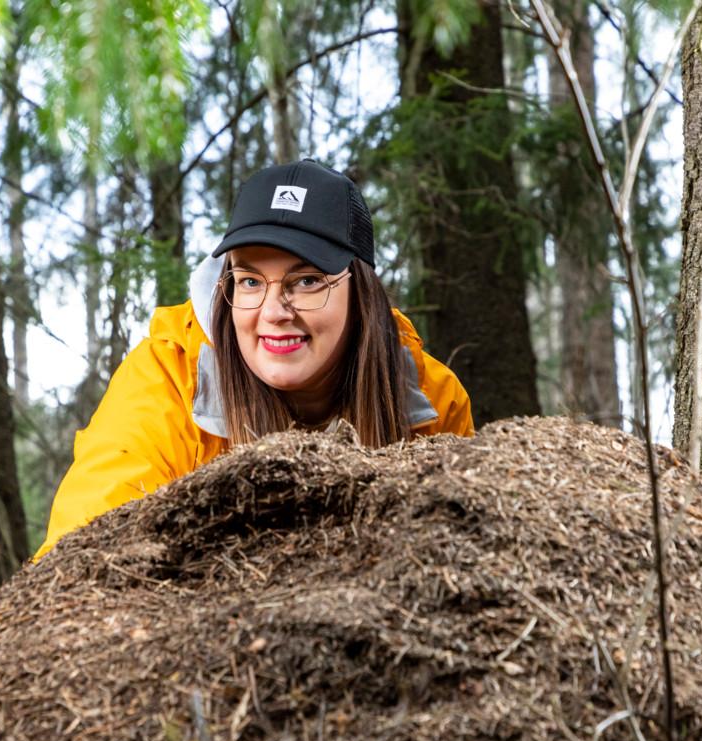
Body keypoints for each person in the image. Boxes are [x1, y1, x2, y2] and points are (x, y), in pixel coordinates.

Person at [34, 159, 473, 561]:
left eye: (307, 280)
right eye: (249, 281)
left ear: (360, 292)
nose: (273, 312)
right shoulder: (169, 379)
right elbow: (79, 554)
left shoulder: (428, 401)